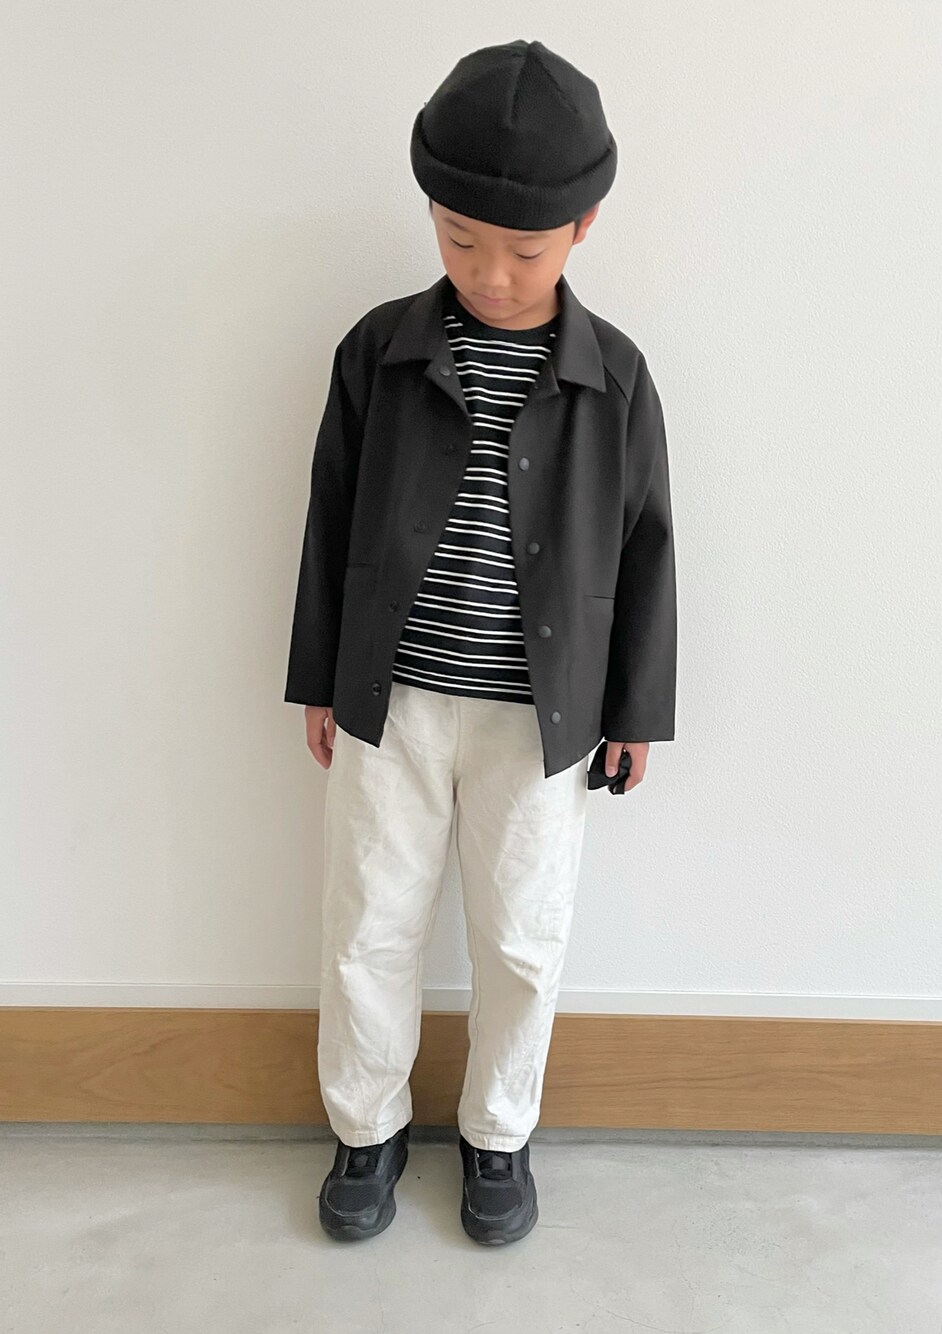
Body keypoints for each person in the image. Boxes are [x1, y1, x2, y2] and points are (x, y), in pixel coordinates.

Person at [284, 38, 677, 1246]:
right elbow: (329, 515)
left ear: (582, 227)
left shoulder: (614, 378)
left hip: (540, 715)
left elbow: (648, 544)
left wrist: (633, 709)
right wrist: (320, 676)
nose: (489, 275)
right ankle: (366, 1126)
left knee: (520, 936)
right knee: (368, 922)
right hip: (390, 701)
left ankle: (499, 1134)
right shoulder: (380, 351)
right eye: (459, 241)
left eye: (523, 250)